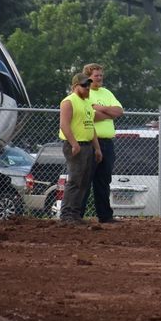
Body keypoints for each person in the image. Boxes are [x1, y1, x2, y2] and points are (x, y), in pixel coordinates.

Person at [58, 73, 103, 224]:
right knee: (75, 181)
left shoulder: (87, 102)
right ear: (75, 86)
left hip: (87, 145)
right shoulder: (69, 101)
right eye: (84, 85)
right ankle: (66, 215)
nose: (87, 88)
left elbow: (91, 127)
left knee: (84, 181)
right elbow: (64, 125)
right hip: (75, 146)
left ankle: (76, 214)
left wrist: (97, 148)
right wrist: (74, 143)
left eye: (88, 85)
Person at [83, 63, 124, 223]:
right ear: (88, 77)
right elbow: (90, 116)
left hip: (107, 143)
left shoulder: (106, 92)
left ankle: (105, 216)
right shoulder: (84, 92)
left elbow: (119, 111)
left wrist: (100, 108)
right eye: (96, 75)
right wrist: (109, 112)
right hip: (91, 142)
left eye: (101, 75)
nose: (99, 78)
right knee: (85, 179)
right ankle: (77, 215)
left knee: (103, 180)